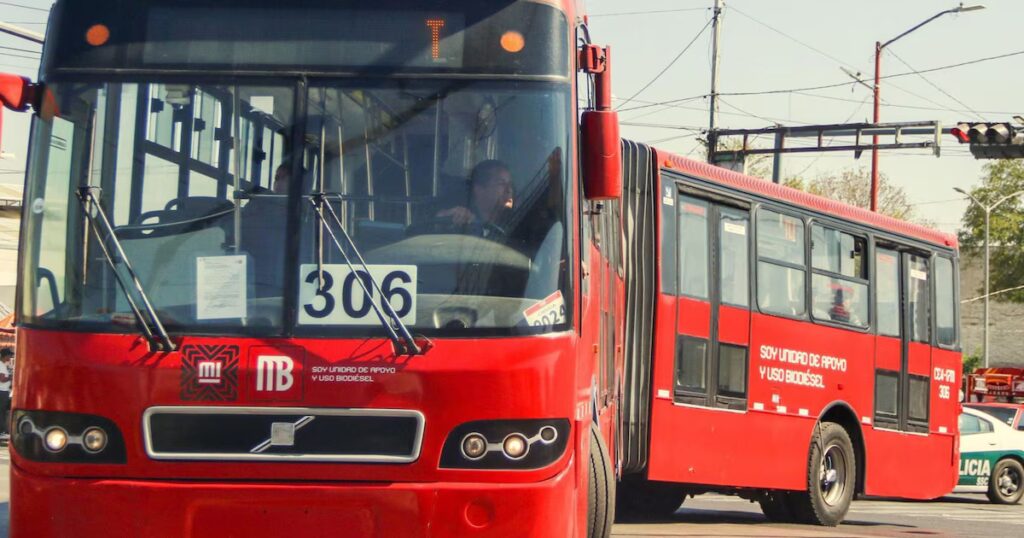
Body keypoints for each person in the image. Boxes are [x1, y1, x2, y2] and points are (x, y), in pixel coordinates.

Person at [435, 160, 515, 239]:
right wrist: (443, 219)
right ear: (479, 189)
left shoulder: (515, 221)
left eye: (510, 184)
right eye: (501, 184)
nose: (509, 190)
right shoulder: (462, 219)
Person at [0, 347, 13, 442]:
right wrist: (11, 377)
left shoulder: (3, 365)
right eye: (9, 355)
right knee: (2, 411)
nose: (11, 356)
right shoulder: (1, 365)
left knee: (3, 411)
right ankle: (2, 432)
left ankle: (2, 431)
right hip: (2, 391)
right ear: (6, 356)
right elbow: (2, 379)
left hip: (4, 391)